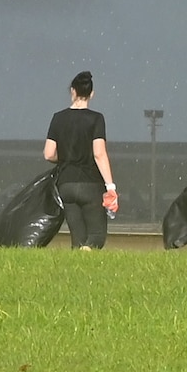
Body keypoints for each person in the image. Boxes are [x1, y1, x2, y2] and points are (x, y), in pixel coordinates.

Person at [44, 70, 118, 249]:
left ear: (72, 91)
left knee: (78, 241)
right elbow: (99, 154)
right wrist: (110, 187)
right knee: (96, 237)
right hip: (90, 184)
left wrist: (68, 157)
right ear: (91, 94)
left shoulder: (58, 118)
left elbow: (48, 154)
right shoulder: (96, 119)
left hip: (66, 185)